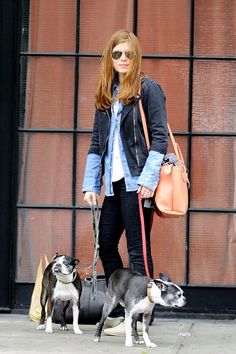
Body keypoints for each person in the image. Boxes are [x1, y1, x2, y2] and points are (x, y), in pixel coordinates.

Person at [82, 29, 168, 334]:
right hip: (115, 185)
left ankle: (143, 317)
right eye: (116, 54)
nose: (122, 59)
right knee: (106, 245)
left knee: (138, 250)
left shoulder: (148, 89)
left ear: (136, 57)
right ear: (110, 57)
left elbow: (159, 138)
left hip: (138, 183)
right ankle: (121, 309)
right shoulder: (107, 94)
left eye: (127, 54)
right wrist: (92, 184)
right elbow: (96, 142)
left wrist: (149, 178)